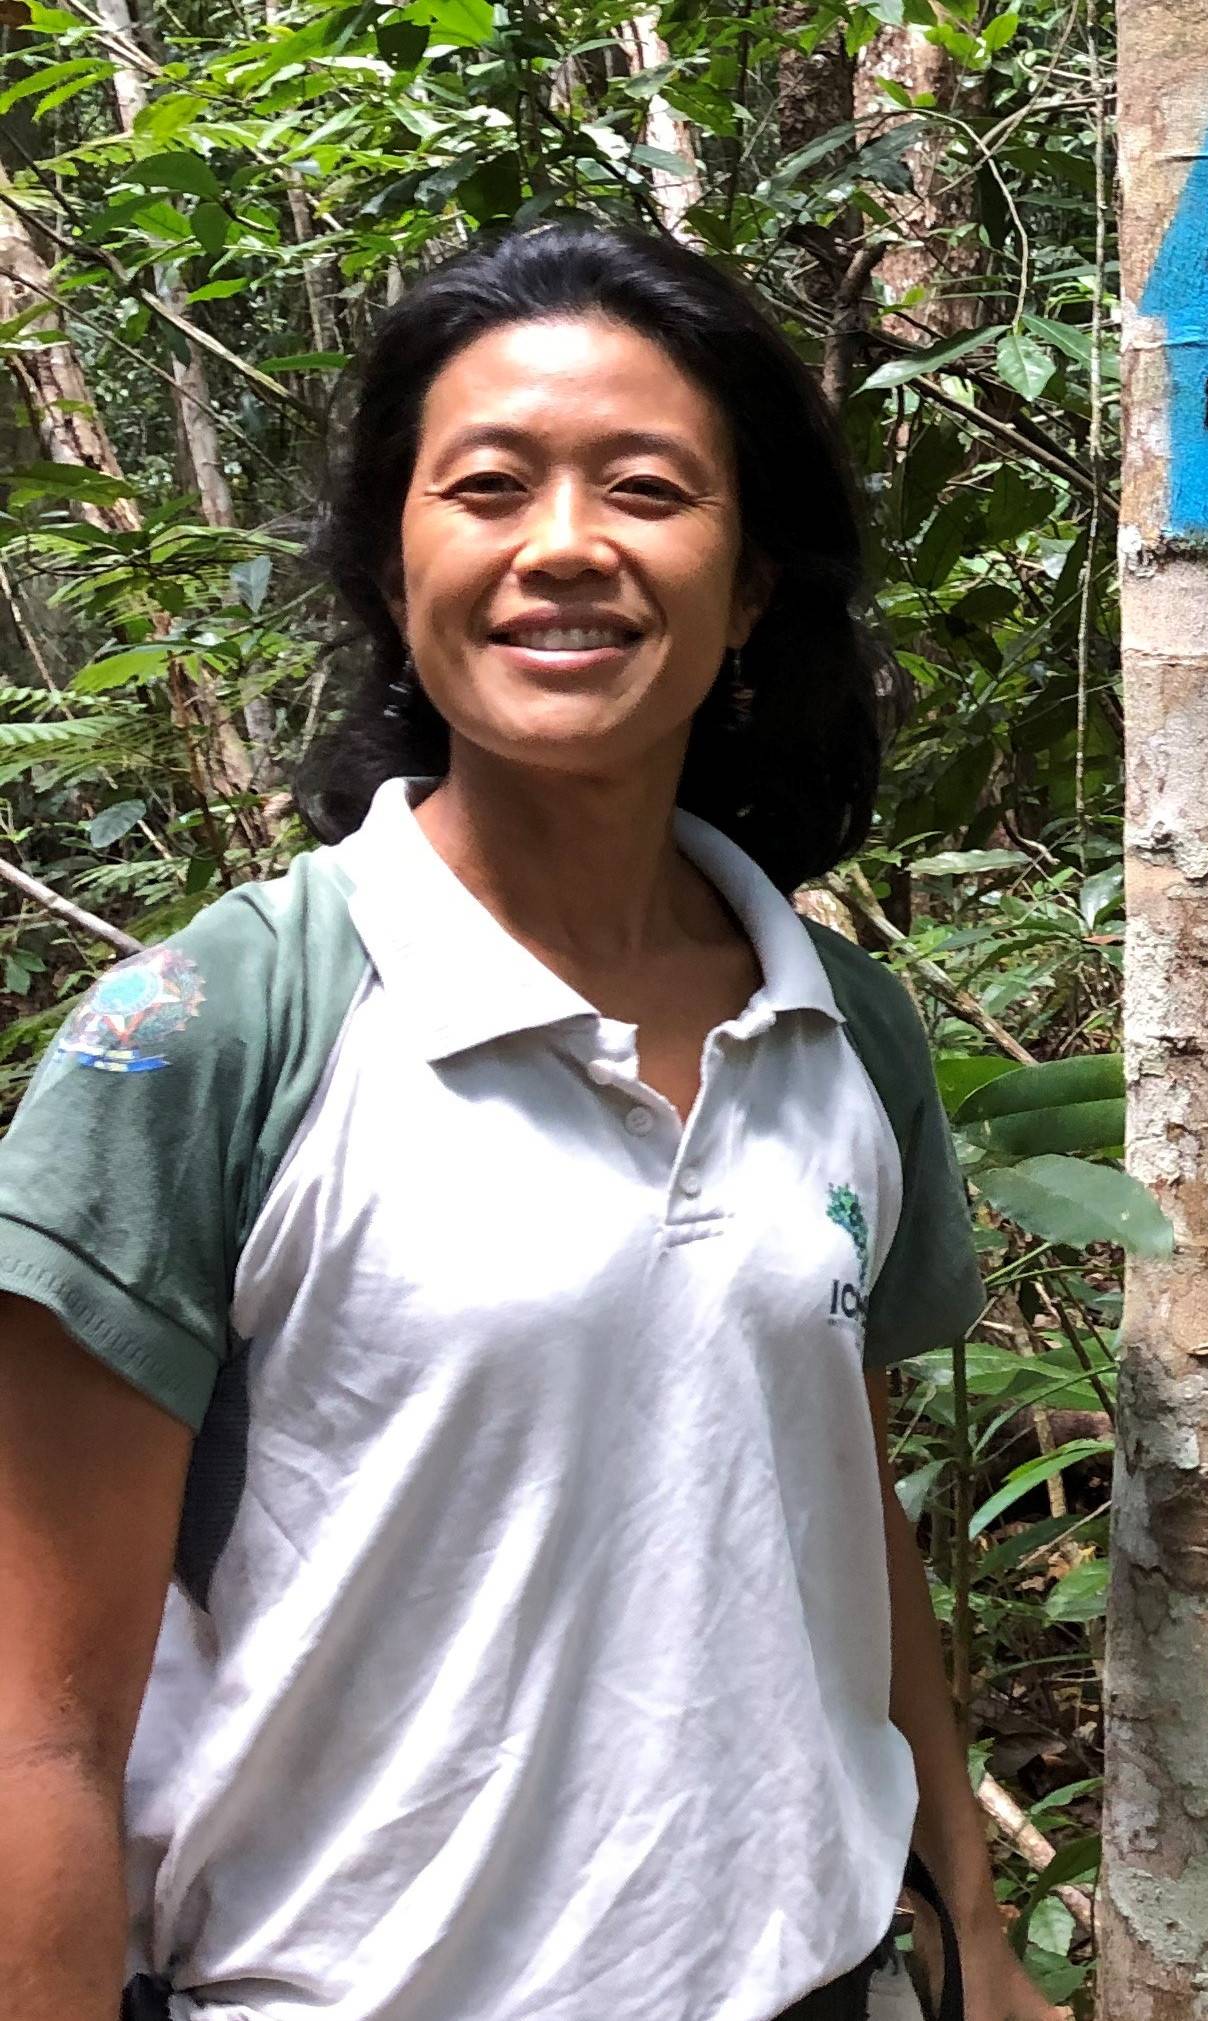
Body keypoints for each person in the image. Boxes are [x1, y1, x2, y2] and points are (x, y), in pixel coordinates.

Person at [0, 223, 1067, 2021]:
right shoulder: (208, 1036)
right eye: (488, 485)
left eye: (647, 488)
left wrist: (975, 1925)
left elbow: (832, 1503)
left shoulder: (839, 1025)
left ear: (751, 587)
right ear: (394, 564)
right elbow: (38, 1726)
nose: (564, 543)